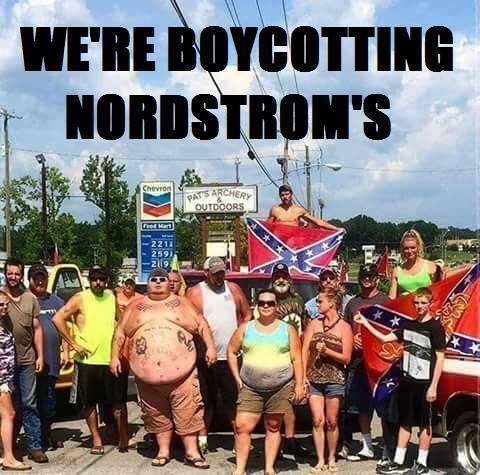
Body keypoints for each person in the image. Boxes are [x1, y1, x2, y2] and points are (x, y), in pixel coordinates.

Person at [109, 267, 217, 468]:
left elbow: (202, 325)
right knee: (157, 416)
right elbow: (120, 332)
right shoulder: (135, 306)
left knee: (188, 412)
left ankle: (192, 452)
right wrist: (114, 357)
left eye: (162, 279)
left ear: (169, 283)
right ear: (147, 284)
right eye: (154, 279)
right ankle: (163, 451)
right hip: (147, 378)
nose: (158, 282)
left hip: (183, 376)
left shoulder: (183, 304)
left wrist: (210, 347)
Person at [354, 287, 446, 475]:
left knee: (425, 424)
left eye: (423, 303)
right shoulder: (408, 325)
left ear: (430, 304)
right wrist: (365, 323)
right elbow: (385, 338)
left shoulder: (436, 327)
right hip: (407, 381)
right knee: (405, 422)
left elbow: (440, 358)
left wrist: (433, 386)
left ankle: (422, 463)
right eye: (416, 303)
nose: (419, 306)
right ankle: (398, 460)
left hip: (425, 382)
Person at [52, 265, 129, 455]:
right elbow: (57, 319)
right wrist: (74, 344)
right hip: (87, 361)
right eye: (94, 279)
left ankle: (123, 437)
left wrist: (119, 348)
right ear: (89, 281)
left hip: (110, 359)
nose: (98, 282)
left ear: (107, 281)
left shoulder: (111, 297)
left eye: (102, 279)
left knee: (118, 402)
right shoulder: (80, 298)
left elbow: (121, 322)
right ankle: (96, 439)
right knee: (89, 403)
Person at [227, 289, 305, 475]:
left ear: (276, 305)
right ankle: (240, 469)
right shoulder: (245, 328)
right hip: (250, 388)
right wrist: (237, 378)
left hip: (280, 388)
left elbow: (297, 359)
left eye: (270, 303)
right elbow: (231, 351)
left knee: (273, 426)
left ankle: (269, 468)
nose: (266, 306)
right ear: (256, 305)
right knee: (242, 426)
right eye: (262, 303)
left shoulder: (288, 329)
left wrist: (300, 384)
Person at [186, 256, 251, 454]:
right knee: (206, 401)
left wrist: (241, 334)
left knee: (234, 402)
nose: (219, 277)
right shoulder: (195, 292)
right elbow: (192, 323)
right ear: (206, 273)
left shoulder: (233, 289)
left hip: (231, 357)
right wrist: (206, 346)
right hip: (205, 358)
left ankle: (238, 440)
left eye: (222, 272)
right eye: (215, 274)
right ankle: (202, 439)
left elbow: (247, 314)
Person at [302, 284, 353, 473]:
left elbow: (346, 358)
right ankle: (320, 459)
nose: (317, 304)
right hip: (314, 379)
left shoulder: (344, 327)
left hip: (334, 379)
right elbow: (305, 351)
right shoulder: (314, 324)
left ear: (331, 303)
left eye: (320, 301)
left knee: (332, 420)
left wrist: (327, 351)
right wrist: (302, 376)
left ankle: (332, 457)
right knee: (317, 420)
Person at [2, 258, 48, 463]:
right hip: (4, 363)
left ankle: (34, 446)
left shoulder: (30, 299)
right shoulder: (0, 296)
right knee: (6, 407)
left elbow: (37, 329)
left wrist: (41, 356)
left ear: (22, 275)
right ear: (5, 274)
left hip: (27, 360)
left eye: (17, 273)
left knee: (29, 404)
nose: (13, 277)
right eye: (10, 273)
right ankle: (6, 447)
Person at [342, 264, 389, 461]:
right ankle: (367, 446)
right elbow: (345, 329)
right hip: (358, 363)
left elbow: (392, 330)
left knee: (384, 410)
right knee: (362, 408)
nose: (366, 279)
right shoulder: (352, 303)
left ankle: (387, 448)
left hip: (381, 364)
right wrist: (352, 339)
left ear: (377, 278)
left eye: (370, 275)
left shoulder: (385, 301)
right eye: (363, 276)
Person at [267, 262, 311, 457]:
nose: (280, 280)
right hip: (272, 357)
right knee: (272, 403)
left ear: (289, 279)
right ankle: (273, 443)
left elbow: (305, 327)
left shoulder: (298, 300)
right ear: (272, 280)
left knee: (289, 401)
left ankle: (290, 440)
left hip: (294, 357)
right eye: (277, 277)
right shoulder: (266, 300)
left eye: (284, 276)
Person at [28, 264, 68, 450]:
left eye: (42, 278)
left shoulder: (57, 302)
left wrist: (65, 351)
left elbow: (64, 328)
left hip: (51, 361)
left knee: (49, 402)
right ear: (29, 280)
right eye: (36, 278)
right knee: (29, 403)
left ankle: (45, 435)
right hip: (28, 362)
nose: (40, 282)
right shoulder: (25, 300)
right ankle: (33, 440)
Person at [0, 290, 32, 471]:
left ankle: (3, 454)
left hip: (6, 377)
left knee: (4, 415)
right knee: (9, 414)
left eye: (6, 304)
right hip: (1, 379)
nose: (4, 308)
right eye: (0, 304)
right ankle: (9, 458)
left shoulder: (3, 324)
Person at [389, 229, 437, 299]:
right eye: (406, 248)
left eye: (413, 248)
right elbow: (392, 298)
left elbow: (439, 292)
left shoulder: (430, 266)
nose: (410, 251)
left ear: (418, 247)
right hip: (403, 305)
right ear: (402, 249)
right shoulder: (397, 271)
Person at [268, 184, 339, 230]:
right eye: (282, 195)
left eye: (287, 194)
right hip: (279, 243)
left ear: (291, 194)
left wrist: (336, 228)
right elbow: (267, 227)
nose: (285, 197)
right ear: (279, 196)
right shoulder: (275, 210)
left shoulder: (299, 210)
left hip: (293, 242)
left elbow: (317, 222)